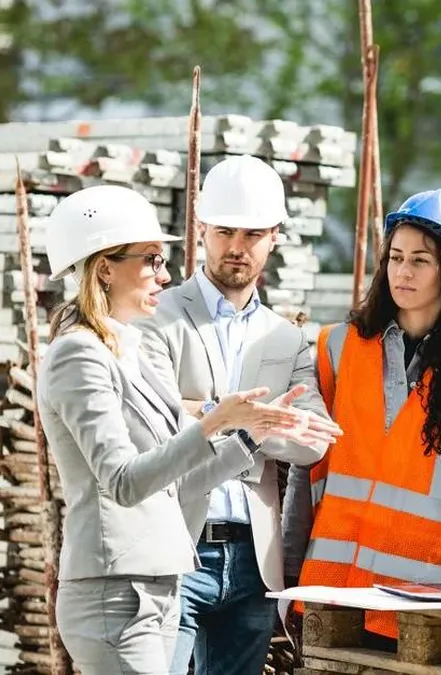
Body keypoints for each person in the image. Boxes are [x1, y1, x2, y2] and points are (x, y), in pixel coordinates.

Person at [37, 185, 333, 675]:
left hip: (156, 583)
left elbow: (173, 483)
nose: (165, 273)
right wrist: (217, 418)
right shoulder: (78, 353)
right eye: (151, 259)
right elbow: (125, 481)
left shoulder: (123, 348)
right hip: (116, 592)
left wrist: (249, 435)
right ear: (105, 267)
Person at [290, 188, 441, 640]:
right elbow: (307, 470)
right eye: (395, 257)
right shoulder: (337, 347)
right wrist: (285, 566)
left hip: (422, 596)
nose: (403, 271)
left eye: (420, 260)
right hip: (333, 592)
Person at [137, 156, 336, 675]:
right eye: (224, 230)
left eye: (252, 233)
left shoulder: (286, 337)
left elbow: (311, 442)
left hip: (251, 558)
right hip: (175, 544)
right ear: (201, 230)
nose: (236, 246)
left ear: (274, 237)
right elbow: (147, 425)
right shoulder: (158, 318)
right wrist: (242, 419)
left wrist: (221, 419)